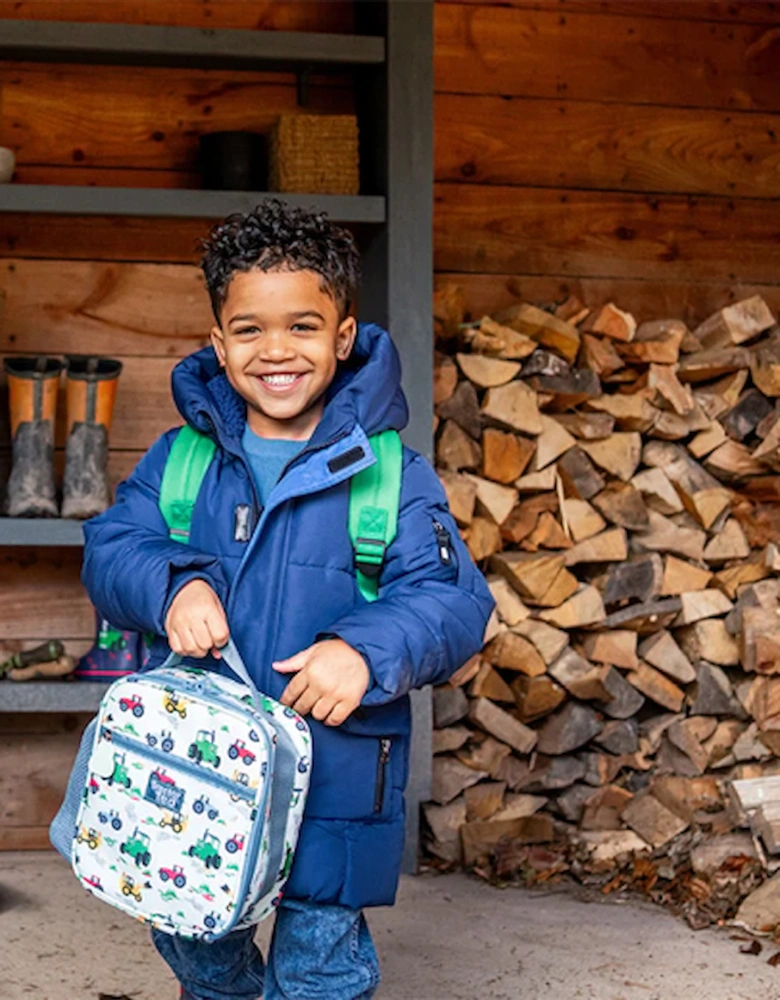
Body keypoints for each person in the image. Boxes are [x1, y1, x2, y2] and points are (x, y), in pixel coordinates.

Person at [81, 199, 494, 1000]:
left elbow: (451, 598)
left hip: (335, 782)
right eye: (249, 330)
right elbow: (112, 548)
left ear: (342, 338)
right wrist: (174, 583)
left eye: (303, 327)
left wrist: (364, 651)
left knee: (317, 968)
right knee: (194, 941)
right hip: (196, 775)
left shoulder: (388, 474)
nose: (276, 351)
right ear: (218, 342)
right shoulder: (183, 458)